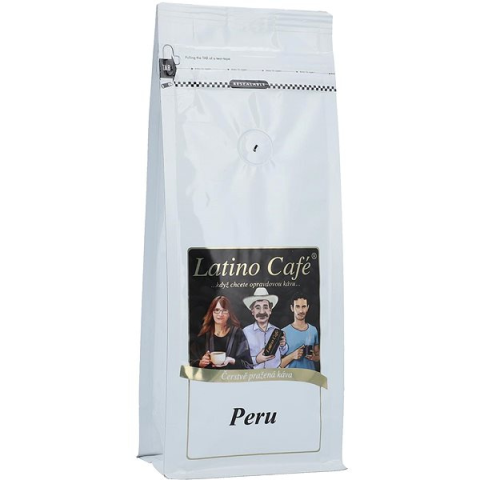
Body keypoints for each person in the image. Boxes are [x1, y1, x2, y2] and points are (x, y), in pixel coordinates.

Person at [190, 295, 253, 369]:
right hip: (210, 376)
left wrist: (232, 361)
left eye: (224, 310)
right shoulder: (204, 336)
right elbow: (188, 362)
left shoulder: (238, 334)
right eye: (217, 310)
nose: (220, 314)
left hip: (231, 376)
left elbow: (248, 365)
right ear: (212, 313)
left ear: (229, 314)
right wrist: (200, 363)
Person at [242, 287, 288, 369]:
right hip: (254, 375)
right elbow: (242, 359)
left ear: (270, 310)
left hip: (275, 374)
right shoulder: (245, 332)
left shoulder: (277, 331)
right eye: (257, 308)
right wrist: (257, 360)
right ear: (252, 311)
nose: (262, 312)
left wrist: (283, 345)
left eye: (265, 307)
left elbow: (283, 352)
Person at [281, 292, 320, 370]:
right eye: (297, 306)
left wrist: (313, 357)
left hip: (310, 376)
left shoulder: (313, 330)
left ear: (307, 308)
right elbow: (277, 364)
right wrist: (293, 355)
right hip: (291, 376)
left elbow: (318, 357)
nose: (301, 311)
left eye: (304, 306)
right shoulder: (283, 332)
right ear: (292, 308)